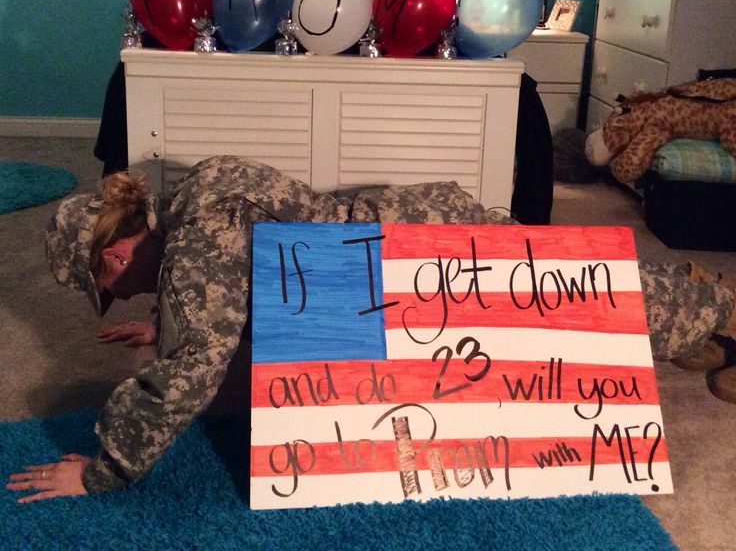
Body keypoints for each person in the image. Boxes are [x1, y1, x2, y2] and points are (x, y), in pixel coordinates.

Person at [6, 156, 736, 501]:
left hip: (427, 258)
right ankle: (697, 309)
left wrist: (100, 469)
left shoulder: (198, 249)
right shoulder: (194, 192)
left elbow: (190, 371)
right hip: (413, 227)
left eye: (111, 288)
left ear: (113, 254)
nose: (122, 297)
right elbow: (247, 282)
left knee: (587, 308)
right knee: (579, 306)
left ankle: (719, 305)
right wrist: (172, 321)